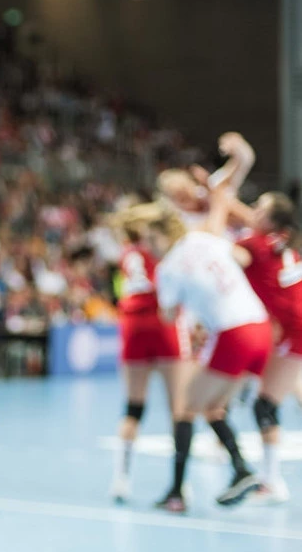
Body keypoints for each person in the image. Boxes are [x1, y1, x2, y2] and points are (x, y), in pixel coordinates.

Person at [147, 179, 270, 512]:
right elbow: (241, 257)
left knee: (185, 408)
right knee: (212, 407)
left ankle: (177, 493)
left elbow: (167, 315)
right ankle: (241, 471)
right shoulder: (204, 237)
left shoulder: (168, 268)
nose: (150, 248)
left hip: (233, 334)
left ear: (163, 236)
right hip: (259, 326)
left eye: (151, 240)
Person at [108, 203, 192, 502]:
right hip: (162, 321)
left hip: (132, 325)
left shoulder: (126, 252)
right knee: (178, 409)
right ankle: (180, 484)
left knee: (133, 407)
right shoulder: (161, 248)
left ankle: (120, 479)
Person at [228, 191, 302, 503]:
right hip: (288, 330)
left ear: (270, 220)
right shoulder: (281, 242)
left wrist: (216, 203)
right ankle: (271, 480)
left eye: (259, 207)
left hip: (292, 331)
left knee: (265, 405)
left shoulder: (254, 244)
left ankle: (272, 482)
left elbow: (217, 248)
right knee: (272, 398)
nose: (252, 210)